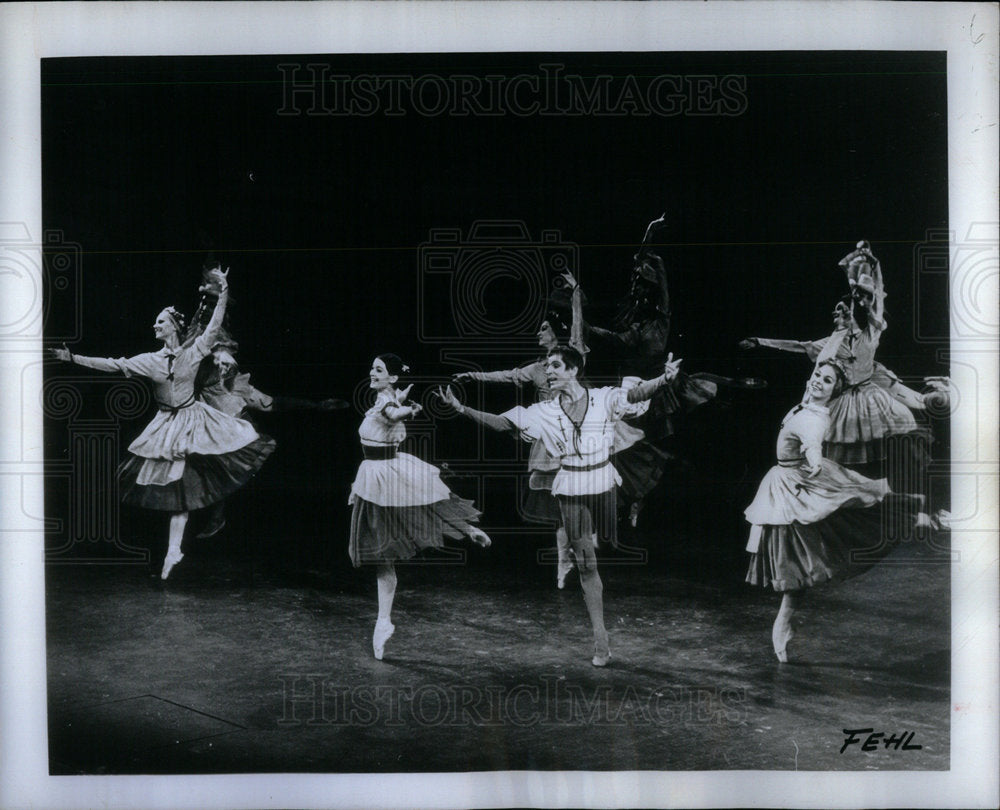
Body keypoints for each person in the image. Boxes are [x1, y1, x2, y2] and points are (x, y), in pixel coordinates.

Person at [438, 346, 682, 667]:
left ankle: (622, 519)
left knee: (606, 540)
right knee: (587, 564)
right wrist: (462, 409)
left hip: (603, 479)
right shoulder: (545, 411)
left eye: (555, 366)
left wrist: (663, 379)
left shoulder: (602, 398)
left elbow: (635, 393)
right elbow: (502, 423)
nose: (548, 371)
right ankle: (601, 638)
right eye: (547, 366)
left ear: (573, 370)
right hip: (571, 483)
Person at [49, 268, 276, 579]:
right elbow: (113, 364)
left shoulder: (194, 351)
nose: (154, 325)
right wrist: (73, 358)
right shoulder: (149, 360)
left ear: (172, 327)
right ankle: (173, 550)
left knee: (194, 479)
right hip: (166, 426)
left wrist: (223, 291)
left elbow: (214, 324)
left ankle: (179, 545)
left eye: (160, 322)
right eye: (155, 322)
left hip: (194, 419)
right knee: (176, 489)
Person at [744, 360, 921, 662]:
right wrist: (838, 333)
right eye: (816, 376)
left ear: (833, 391)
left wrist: (814, 462)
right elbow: (818, 364)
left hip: (797, 485)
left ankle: (783, 622)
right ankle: (918, 517)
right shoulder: (805, 405)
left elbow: (812, 443)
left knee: (798, 555)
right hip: (790, 480)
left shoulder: (813, 418)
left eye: (826, 381)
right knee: (800, 552)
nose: (817, 382)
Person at [349, 353, 491, 661]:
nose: (372, 373)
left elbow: (392, 415)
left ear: (393, 376)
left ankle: (383, 621)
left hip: (383, 476)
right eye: (372, 368)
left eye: (378, 369)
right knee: (384, 554)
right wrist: (401, 404)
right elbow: (390, 412)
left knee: (388, 549)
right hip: (376, 476)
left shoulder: (387, 405)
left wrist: (407, 409)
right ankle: (383, 621)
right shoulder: (385, 399)